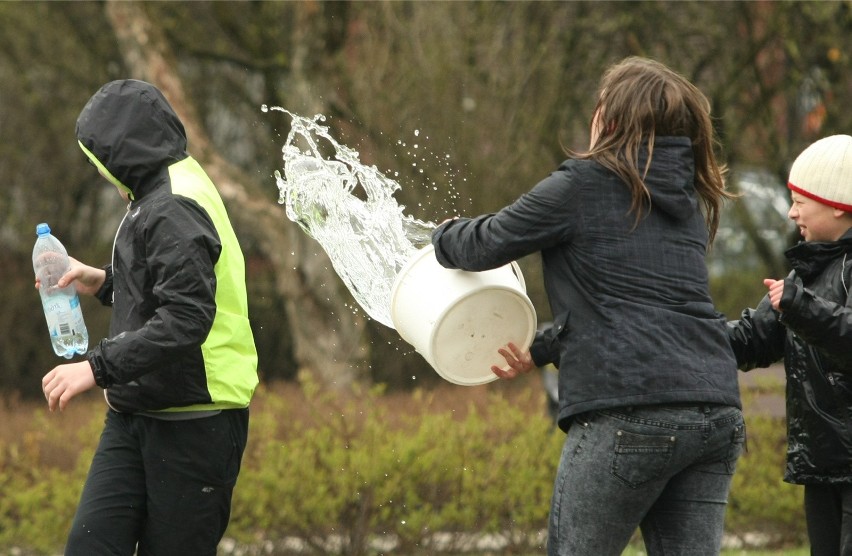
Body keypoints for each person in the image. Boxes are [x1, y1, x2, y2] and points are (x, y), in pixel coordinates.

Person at [431, 56, 744, 555]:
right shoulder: (685, 201)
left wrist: (441, 234)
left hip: (628, 410)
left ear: (611, 120)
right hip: (715, 413)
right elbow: (644, 312)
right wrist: (541, 347)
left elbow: (481, 246)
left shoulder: (581, 183)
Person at [39, 79, 259, 555]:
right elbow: (165, 284)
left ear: (117, 155)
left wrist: (95, 367)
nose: (101, 175)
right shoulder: (158, 187)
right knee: (90, 547)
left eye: (98, 163)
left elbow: (185, 318)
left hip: (196, 420)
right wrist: (101, 279)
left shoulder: (173, 205)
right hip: (134, 414)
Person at [727, 134, 852, 556]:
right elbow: (751, 340)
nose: (790, 211)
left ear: (838, 204)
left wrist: (801, 307)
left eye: (800, 200)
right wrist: (685, 330)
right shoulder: (804, 275)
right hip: (822, 465)